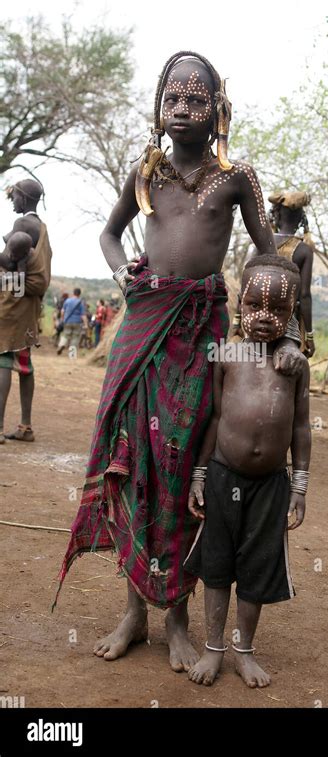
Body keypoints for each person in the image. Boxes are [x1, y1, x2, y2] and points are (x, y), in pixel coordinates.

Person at [55, 51, 304, 673]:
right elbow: (111, 235)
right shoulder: (147, 172)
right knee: (136, 459)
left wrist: (286, 337)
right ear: (157, 107)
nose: (183, 110)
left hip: (203, 333)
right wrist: (122, 271)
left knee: (187, 467)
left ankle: (179, 620)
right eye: (173, 99)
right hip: (144, 326)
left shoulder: (236, 176)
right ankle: (135, 613)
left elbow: (270, 262)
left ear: (218, 109)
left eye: (197, 100)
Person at [184, 256, 311, 688]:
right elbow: (215, 419)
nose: (264, 316)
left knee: (256, 568)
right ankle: (213, 648)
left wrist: (300, 485)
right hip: (222, 478)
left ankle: (243, 651)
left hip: (271, 486)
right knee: (217, 565)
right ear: (240, 302)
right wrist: (199, 476)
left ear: (293, 313)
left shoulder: (296, 366)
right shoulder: (227, 353)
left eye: (278, 309)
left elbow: (300, 426)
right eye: (255, 304)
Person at [232, 190, 315, 357]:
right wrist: (309, 335)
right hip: (288, 321)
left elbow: (245, 287)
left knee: (253, 360)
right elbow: (304, 296)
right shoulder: (304, 250)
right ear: (301, 219)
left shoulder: (261, 245)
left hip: (256, 319)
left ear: (275, 216)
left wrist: (237, 322)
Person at [0, 179, 52, 444]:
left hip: (13, 303)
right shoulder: (41, 226)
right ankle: (26, 426)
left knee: (3, 360)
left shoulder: (22, 225)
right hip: (28, 305)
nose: (12, 201)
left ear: (24, 198)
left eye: (14, 197)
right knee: (24, 364)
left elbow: (9, 262)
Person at [57, 288, 88, 355]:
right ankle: (72, 353)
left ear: (73, 293)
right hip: (77, 322)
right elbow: (83, 315)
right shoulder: (80, 303)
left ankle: (62, 345)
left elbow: (62, 311)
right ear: (79, 294)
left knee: (65, 335)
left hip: (67, 321)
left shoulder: (67, 301)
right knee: (75, 337)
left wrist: (63, 319)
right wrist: (86, 324)